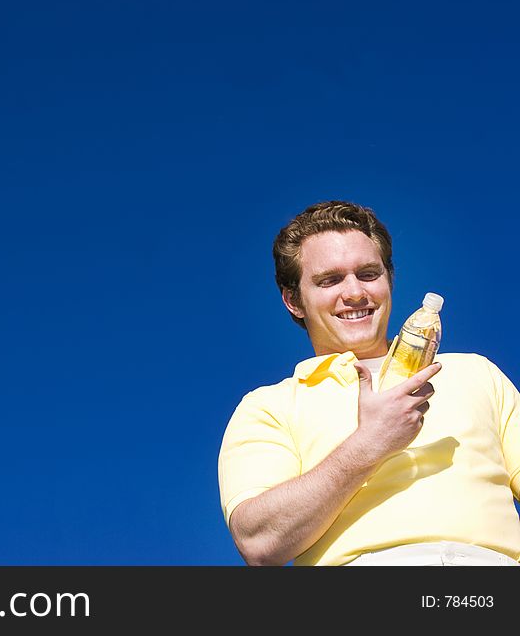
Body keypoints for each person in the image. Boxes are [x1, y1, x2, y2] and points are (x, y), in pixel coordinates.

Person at [217, 200, 520, 566]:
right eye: (329, 280)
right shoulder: (269, 406)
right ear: (293, 301)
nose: (355, 293)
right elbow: (259, 541)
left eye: (368, 273)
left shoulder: (476, 373)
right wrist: (368, 445)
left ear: (389, 279)